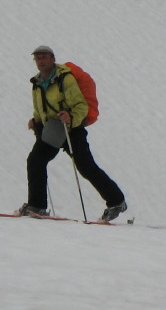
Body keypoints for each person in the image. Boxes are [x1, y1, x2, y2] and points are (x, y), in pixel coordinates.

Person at [20, 45, 127, 222]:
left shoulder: (65, 78)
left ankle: (117, 201)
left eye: (44, 57)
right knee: (36, 160)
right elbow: (40, 108)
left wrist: (71, 117)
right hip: (53, 130)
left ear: (52, 58)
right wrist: (35, 121)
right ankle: (37, 206)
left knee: (86, 167)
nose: (41, 61)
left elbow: (81, 106)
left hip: (72, 130)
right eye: (38, 58)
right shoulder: (37, 82)